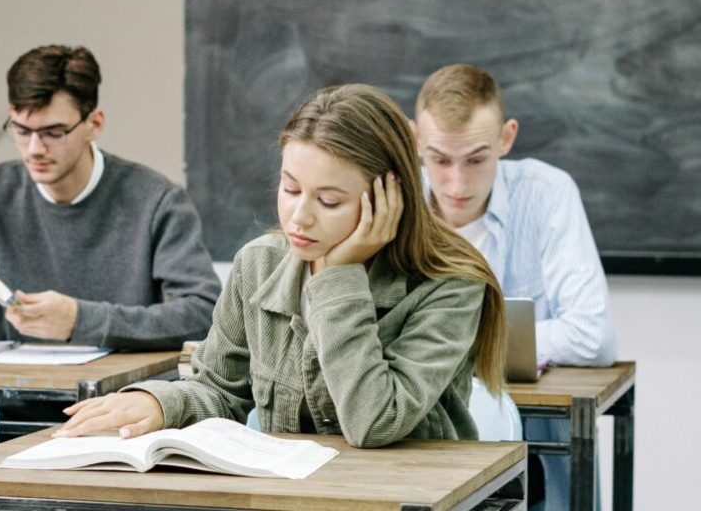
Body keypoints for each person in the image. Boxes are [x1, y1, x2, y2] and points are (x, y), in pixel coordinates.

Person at [54, 84, 507, 447]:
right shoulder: (258, 264)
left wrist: (338, 278)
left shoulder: (449, 284)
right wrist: (158, 404)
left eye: (329, 200)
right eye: (291, 189)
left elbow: (374, 422)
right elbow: (220, 391)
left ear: (389, 199)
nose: (299, 216)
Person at [411, 63, 618, 508]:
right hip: (423, 419)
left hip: (531, 423)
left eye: (476, 159)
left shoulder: (546, 193)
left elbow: (592, 336)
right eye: (440, 160)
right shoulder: (396, 202)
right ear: (415, 141)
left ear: (506, 138)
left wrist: (459, 348)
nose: (457, 183)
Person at [0, 45, 220, 351]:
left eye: (53, 132)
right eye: (21, 130)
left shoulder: (156, 200)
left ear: (94, 124)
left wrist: (81, 320)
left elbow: (203, 313)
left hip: (120, 394)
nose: (34, 149)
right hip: (19, 392)